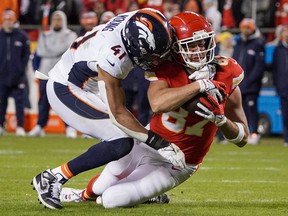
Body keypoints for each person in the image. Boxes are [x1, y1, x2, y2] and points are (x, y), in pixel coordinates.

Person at [59, 11, 249, 208]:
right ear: (174, 47)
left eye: (202, 43)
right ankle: (82, 194)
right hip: (151, 144)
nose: (199, 50)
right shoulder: (167, 68)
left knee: (111, 200)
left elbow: (243, 137)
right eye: (191, 45)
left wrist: (222, 121)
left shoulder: (228, 73)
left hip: (182, 162)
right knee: (101, 186)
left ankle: (148, 194)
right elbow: (157, 103)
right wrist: (200, 85)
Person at [31, 8, 185, 210]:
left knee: (133, 139)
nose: (155, 61)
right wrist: (158, 142)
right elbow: (118, 113)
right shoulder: (113, 55)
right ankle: (53, 177)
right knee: (122, 141)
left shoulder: (143, 19)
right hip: (66, 88)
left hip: (88, 83)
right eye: (152, 56)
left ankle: (128, 186)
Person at [28, 10, 78, 138]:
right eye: (54, 19)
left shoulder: (71, 35)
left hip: (63, 73)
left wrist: (49, 51)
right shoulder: (45, 35)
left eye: (59, 19)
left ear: (64, 20)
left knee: (65, 101)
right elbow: (40, 52)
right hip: (46, 72)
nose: (56, 22)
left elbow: (68, 51)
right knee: (43, 100)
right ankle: (40, 125)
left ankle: (70, 127)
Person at [232, 18, 265, 145]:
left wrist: (248, 81)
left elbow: (259, 67)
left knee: (251, 109)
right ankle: (241, 133)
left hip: (251, 86)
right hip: (238, 84)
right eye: (243, 27)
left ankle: (254, 133)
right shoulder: (239, 43)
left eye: (248, 27)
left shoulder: (258, 44)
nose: (245, 30)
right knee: (240, 110)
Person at [0, 9, 30, 136]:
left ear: (14, 21)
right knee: (1, 103)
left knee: (20, 103)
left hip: (18, 76)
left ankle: (20, 127)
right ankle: (1, 126)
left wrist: (19, 69)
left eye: (10, 20)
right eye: (6, 20)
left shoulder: (22, 36)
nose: (8, 22)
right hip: (1, 76)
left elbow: (26, 55)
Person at [272, 24, 288, 147]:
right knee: (285, 115)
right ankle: (286, 139)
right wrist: (278, 85)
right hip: (283, 88)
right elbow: (275, 70)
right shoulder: (278, 50)